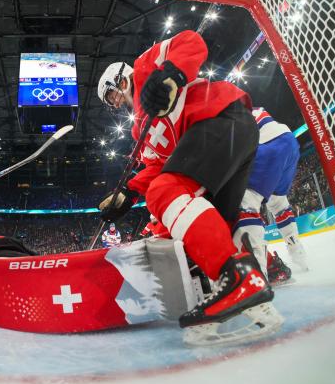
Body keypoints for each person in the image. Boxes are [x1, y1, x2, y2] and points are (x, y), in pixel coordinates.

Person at [96, 29, 282, 344]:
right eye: (111, 102)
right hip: (223, 142)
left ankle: (236, 278)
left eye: (113, 94)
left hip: (220, 119)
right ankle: (252, 296)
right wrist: (127, 192)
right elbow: (157, 166)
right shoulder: (140, 128)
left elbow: (191, 41)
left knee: (163, 194)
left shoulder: (145, 69)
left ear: (121, 80)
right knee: (209, 220)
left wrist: (171, 74)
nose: (116, 102)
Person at [233, 107, 309, 284]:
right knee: (279, 203)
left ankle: (259, 278)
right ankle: (298, 254)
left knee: (246, 202)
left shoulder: (226, 117)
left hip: (266, 146)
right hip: (289, 141)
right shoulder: (250, 109)